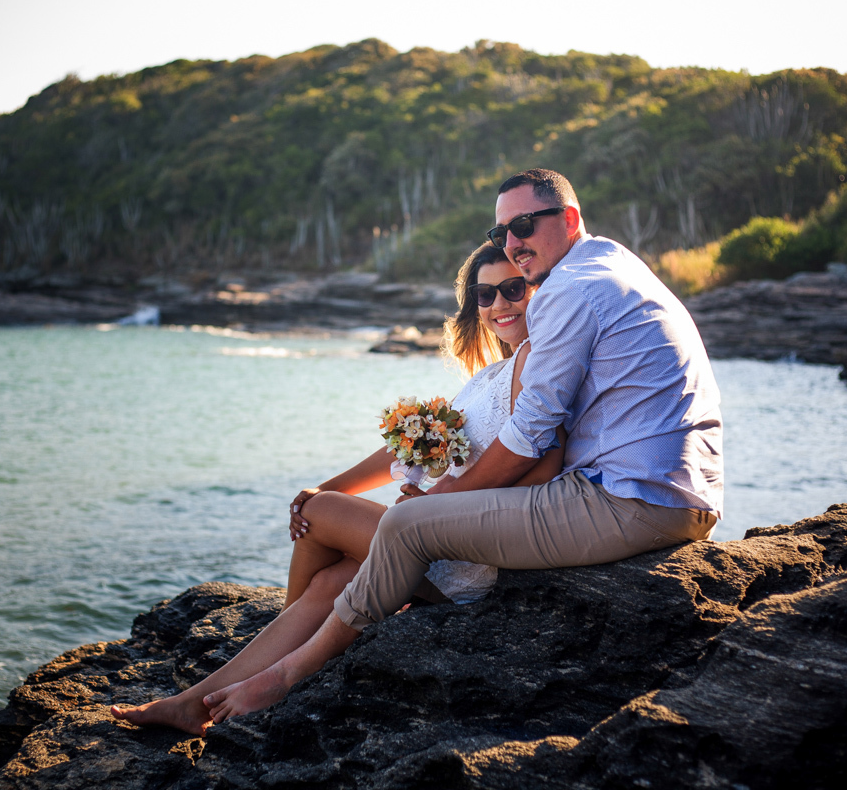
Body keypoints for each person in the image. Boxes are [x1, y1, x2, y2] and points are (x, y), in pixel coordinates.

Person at [196, 168, 724, 725]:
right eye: (501, 233)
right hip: (665, 492)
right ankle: (204, 699)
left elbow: (533, 439)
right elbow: (447, 443)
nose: (512, 243)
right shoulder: (609, 265)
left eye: (523, 225)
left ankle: (285, 678)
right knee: (336, 566)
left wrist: (440, 497)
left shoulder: (570, 289)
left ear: (569, 220)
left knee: (401, 525)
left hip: (631, 498)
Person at [110, 244, 565, 734]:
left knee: (321, 513)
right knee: (328, 575)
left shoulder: (539, 361)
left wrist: (441, 501)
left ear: (538, 287)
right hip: (431, 535)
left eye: (513, 289)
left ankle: (279, 649)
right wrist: (323, 486)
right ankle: (195, 705)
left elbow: (543, 466)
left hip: (466, 551)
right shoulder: (488, 375)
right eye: (485, 293)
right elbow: (409, 451)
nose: (500, 303)